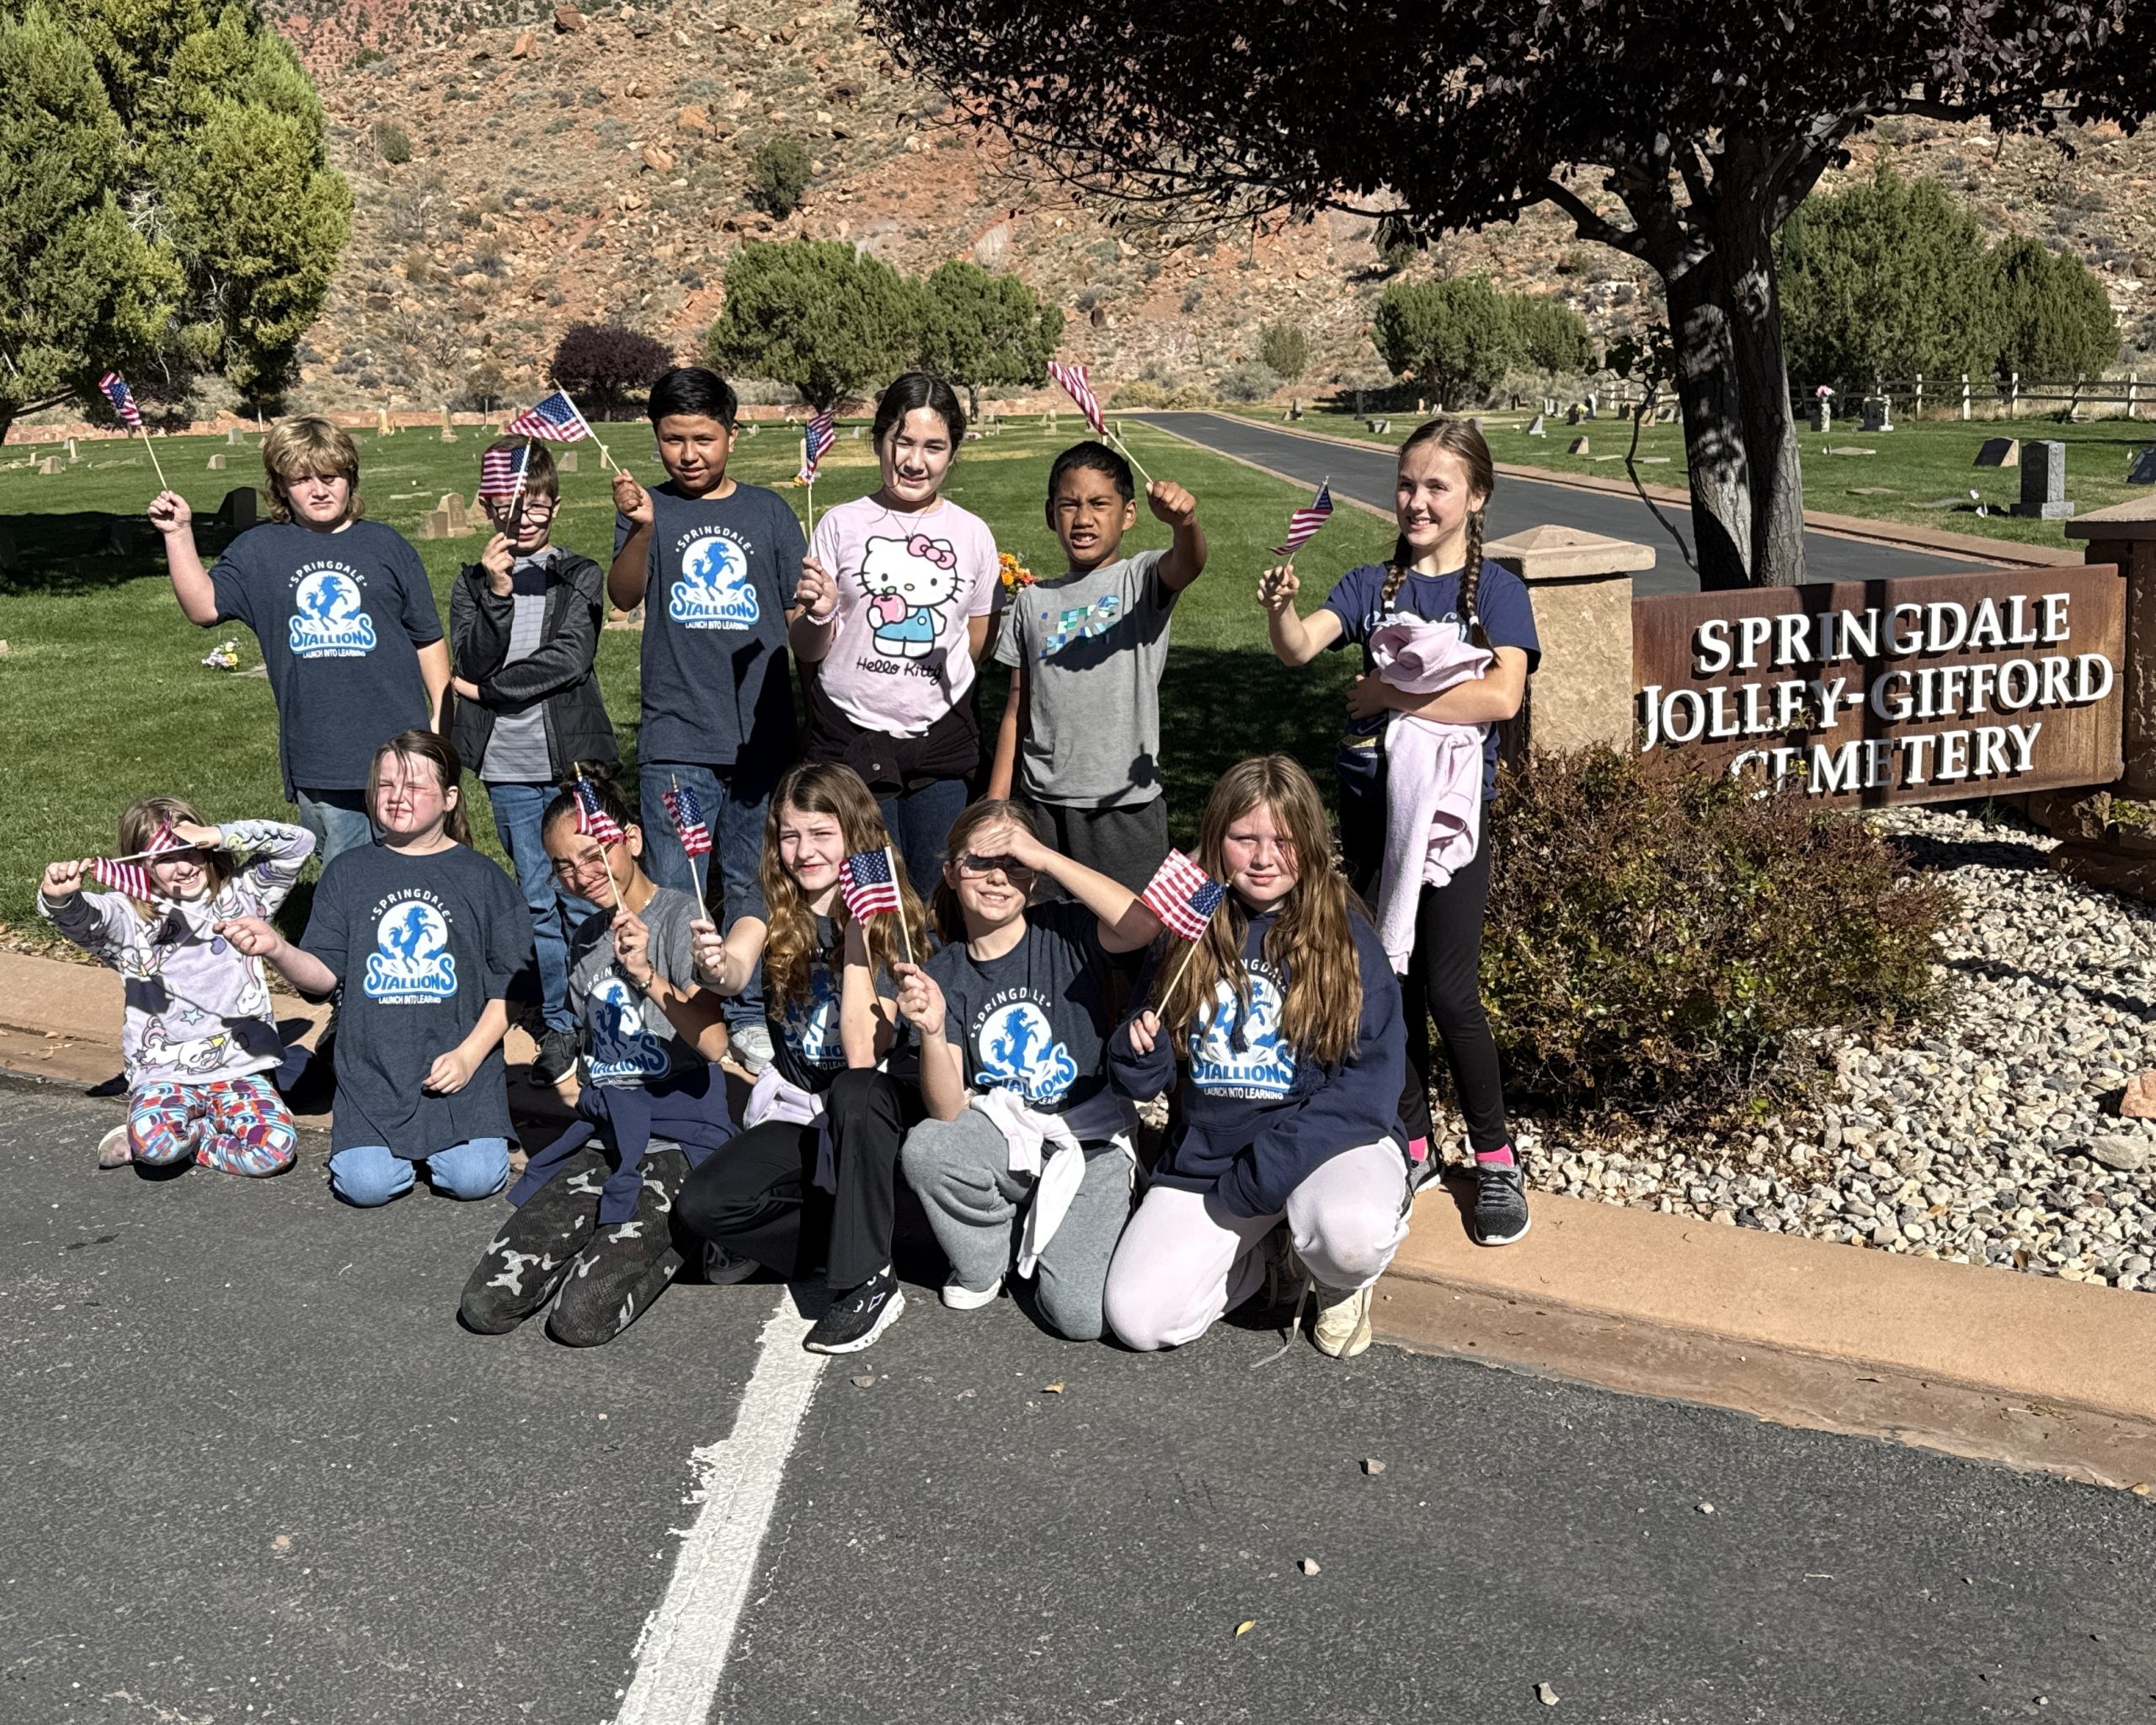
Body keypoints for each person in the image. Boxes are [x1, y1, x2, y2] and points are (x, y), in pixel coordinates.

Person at [1261, 417, 1540, 1247]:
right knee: (1389, 983)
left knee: (1450, 987)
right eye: (1408, 483)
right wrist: (1281, 611)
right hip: (1375, 811)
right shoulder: (1368, 585)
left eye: (1437, 486)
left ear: (1475, 497)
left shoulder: (1494, 594)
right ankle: (1412, 1139)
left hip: (1449, 825)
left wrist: (1388, 695)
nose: (1417, 500)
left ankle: (1494, 1156)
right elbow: (1298, 648)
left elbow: (1499, 699)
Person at [1101, 756, 1410, 1360]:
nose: (1264, 858)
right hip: (1213, 1158)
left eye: (1283, 841)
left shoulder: (1346, 937)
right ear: (1218, 841)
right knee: (1138, 1318)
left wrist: (1264, 1175)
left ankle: (1340, 1278)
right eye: (1245, 839)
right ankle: (1269, 1259)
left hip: (1322, 1149)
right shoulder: (1190, 928)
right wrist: (1139, 1053)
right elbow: (1151, 1067)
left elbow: (1367, 1088)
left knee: (1349, 1235)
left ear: (1311, 844)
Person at [458, 768, 734, 1347]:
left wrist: (648, 975)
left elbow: (713, 1043)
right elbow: (596, 1052)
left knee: (580, 1319)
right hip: (605, 1137)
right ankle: (606, 1233)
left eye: (593, 854)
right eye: (562, 865)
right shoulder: (585, 938)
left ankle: (691, 1235)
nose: (582, 875)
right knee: (486, 1304)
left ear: (629, 839)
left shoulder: (682, 917)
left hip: (677, 1139)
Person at [217, 731, 533, 1207]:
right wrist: (277, 947)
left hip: (459, 1074)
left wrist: (469, 1056)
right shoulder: (348, 873)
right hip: (374, 1074)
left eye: (414, 786)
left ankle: (453, 1138)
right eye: (385, 786)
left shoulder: (482, 878)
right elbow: (323, 978)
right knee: (366, 1186)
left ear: (450, 799)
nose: (397, 797)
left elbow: (513, 985)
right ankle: (381, 1143)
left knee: (475, 1180)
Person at [675, 762, 927, 1355]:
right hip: (803, 1106)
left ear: (854, 833)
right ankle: (847, 1239)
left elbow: (866, 1052)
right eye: (789, 835)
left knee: (853, 1092)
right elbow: (737, 963)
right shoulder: (767, 902)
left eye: (821, 833)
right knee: (704, 1206)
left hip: (878, 1108)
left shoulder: (894, 913)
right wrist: (715, 964)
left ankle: (868, 1280)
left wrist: (859, 938)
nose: (802, 851)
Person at [894, 799, 1161, 1343]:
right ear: (950, 872)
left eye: (1015, 863)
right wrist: (931, 1029)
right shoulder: (942, 971)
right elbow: (947, 1112)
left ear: (1035, 875)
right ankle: (987, 1256)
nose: (998, 877)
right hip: (1008, 1138)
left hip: (1089, 1143)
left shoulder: (1064, 928)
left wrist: (1045, 856)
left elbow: (1145, 925)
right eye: (980, 862)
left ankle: (1072, 1221)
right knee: (928, 1148)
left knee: (1079, 1319)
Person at [609, 366, 809, 1076]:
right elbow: (624, 596)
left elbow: (796, 606)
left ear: (732, 434)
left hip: (759, 734)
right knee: (676, 882)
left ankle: (749, 1013)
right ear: (655, 438)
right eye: (672, 439)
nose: (688, 454)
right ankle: (679, 1011)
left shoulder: (769, 513)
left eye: (704, 438)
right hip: (675, 735)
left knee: (750, 877)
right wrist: (638, 531)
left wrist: (811, 601)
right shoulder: (650, 511)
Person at [149, 416, 449, 863]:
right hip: (322, 750)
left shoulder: (387, 546)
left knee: (419, 864)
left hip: (403, 743)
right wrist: (178, 534)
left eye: (330, 477)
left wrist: (442, 722)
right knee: (345, 875)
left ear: (350, 478)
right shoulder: (260, 551)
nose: (319, 490)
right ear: (281, 487)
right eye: (302, 480)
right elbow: (203, 607)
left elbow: (427, 637)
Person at [791, 373, 1002, 896]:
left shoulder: (973, 533)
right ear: (879, 439)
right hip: (850, 745)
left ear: (953, 452)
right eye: (902, 442)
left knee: (939, 894)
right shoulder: (841, 523)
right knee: (865, 899)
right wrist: (818, 616)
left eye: (934, 447)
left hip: (939, 750)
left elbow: (977, 639)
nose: (915, 461)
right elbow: (807, 651)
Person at [450, 438, 617, 1087]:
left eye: (540, 508)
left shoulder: (576, 575)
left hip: (572, 760)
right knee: (540, 900)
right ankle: (558, 1021)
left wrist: (490, 693)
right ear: (491, 506)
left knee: (590, 894)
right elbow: (473, 658)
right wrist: (495, 591)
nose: (526, 521)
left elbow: (570, 659)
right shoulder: (470, 582)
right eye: (514, 508)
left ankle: (603, 1009)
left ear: (554, 506)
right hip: (508, 766)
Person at [37, 799, 315, 1175]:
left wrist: (221, 834)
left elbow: (298, 842)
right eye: (165, 858)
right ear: (138, 866)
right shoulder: (126, 917)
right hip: (165, 1072)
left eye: (190, 850)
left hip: (241, 1067)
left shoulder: (246, 897)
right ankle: (171, 1131)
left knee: (274, 1151)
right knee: (158, 1147)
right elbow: (83, 918)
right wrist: (60, 897)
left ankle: (195, 1137)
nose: (183, 866)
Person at [987, 441, 1207, 893]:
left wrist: (1185, 524)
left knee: (1129, 937)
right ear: (1051, 515)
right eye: (1069, 505)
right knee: (1045, 935)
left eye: (1098, 504)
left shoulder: (1140, 579)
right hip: (1041, 805)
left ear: (1128, 515)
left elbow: (1188, 563)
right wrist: (996, 805)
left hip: (1122, 805)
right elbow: (1016, 708)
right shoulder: (1032, 601)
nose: (1083, 518)